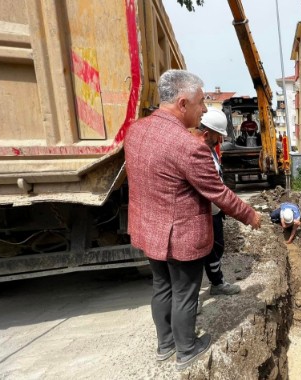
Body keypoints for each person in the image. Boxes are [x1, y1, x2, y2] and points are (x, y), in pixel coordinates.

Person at [124, 69, 262, 371]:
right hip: (180, 235)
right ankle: (187, 349)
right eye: (201, 103)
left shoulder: (136, 131)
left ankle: (165, 345)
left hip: (149, 230)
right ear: (183, 103)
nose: (203, 110)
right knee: (185, 292)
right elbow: (218, 193)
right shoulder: (188, 146)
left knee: (161, 287)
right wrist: (251, 215)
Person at [194, 108, 240, 296]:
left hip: (214, 212)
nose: (220, 139)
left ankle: (217, 283)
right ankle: (192, 296)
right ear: (206, 133)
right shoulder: (196, 153)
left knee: (216, 247)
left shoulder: (210, 150)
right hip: (201, 212)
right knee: (198, 253)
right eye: (217, 135)